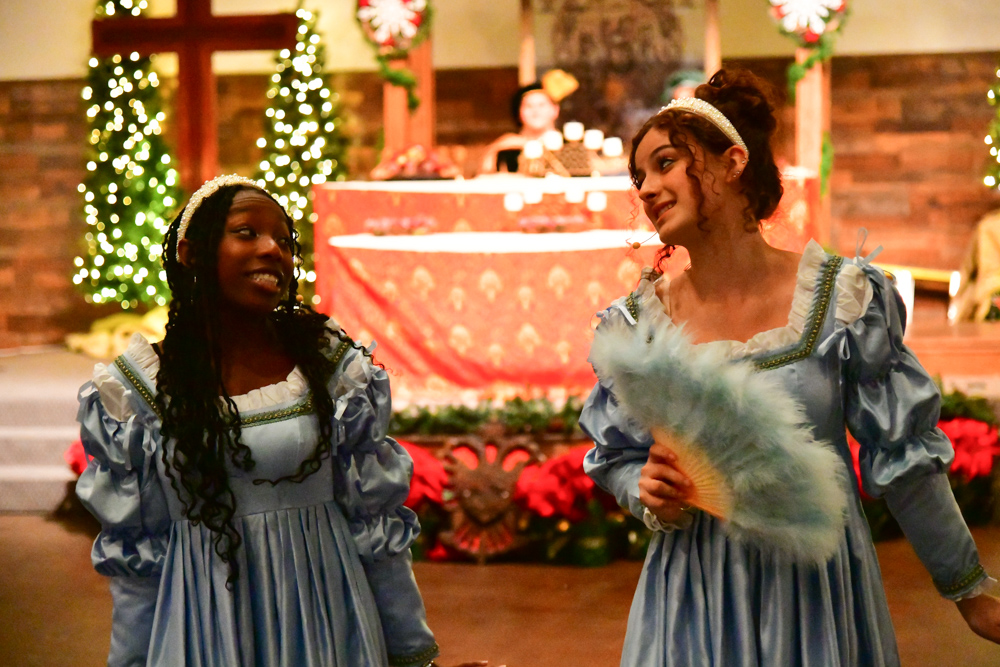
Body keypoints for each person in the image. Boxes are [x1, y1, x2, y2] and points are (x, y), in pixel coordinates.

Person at [580, 69, 1000, 665]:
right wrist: (645, 491)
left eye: (665, 163)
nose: (646, 189)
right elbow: (617, 456)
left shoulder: (841, 301)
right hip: (694, 597)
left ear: (733, 162)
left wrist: (968, 589)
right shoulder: (637, 324)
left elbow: (905, 460)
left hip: (816, 593)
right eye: (638, 176)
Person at [75, 175, 487, 667]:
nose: (274, 250)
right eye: (246, 232)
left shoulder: (329, 369)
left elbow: (375, 532)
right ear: (191, 253)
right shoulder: (137, 391)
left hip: (327, 625)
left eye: (286, 241)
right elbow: (138, 565)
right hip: (205, 632)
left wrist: (414, 656)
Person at [478, 69, 578, 175]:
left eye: (541, 105)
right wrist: (494, 149)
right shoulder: (507, 148)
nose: (535, 111)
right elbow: (484, 176)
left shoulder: (572, 148)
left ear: (555, 110)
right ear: (519, 113)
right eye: (528, 106)